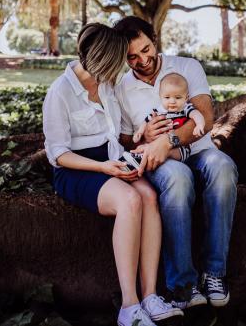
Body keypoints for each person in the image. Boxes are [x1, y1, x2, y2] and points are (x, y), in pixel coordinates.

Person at [42, 23, 183, 326]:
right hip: (75, 169)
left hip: (111, 160)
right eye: (117, 62)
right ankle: (129, 308)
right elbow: (58, 154)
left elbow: (117, 136)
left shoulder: (106, 85)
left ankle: (149, 296)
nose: (120, 70)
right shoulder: (60, 92)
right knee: (130, 201)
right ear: (102, 59)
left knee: (148, 195)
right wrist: (103, 168)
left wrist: (138, 141)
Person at [113, 17, 238, 309]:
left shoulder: (186, 67)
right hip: (159, 163)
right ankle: (182, 284)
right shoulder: (122, 88)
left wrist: (167, 141)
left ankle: (214, 273)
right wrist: (142, 139)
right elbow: (124, 139)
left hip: (199, 150)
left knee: (223, 167)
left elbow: (205, 118)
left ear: (154, 39)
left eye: (145, 49)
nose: (142, 60)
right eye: (132, 56)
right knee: (177, 178)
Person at [132, 72, 206, 162]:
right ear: (160, 97)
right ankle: (136, 156)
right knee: (143, 146)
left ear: (186, 98)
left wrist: (199, 124)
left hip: (180, 147)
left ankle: (164, 154)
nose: (172, 101)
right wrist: (139, 132)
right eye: (167, 97)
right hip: (158, 146)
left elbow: (196, 114)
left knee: (175, 151)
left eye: (178, 97)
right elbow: (146, 121)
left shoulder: (185, 109)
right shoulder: (158, 111)